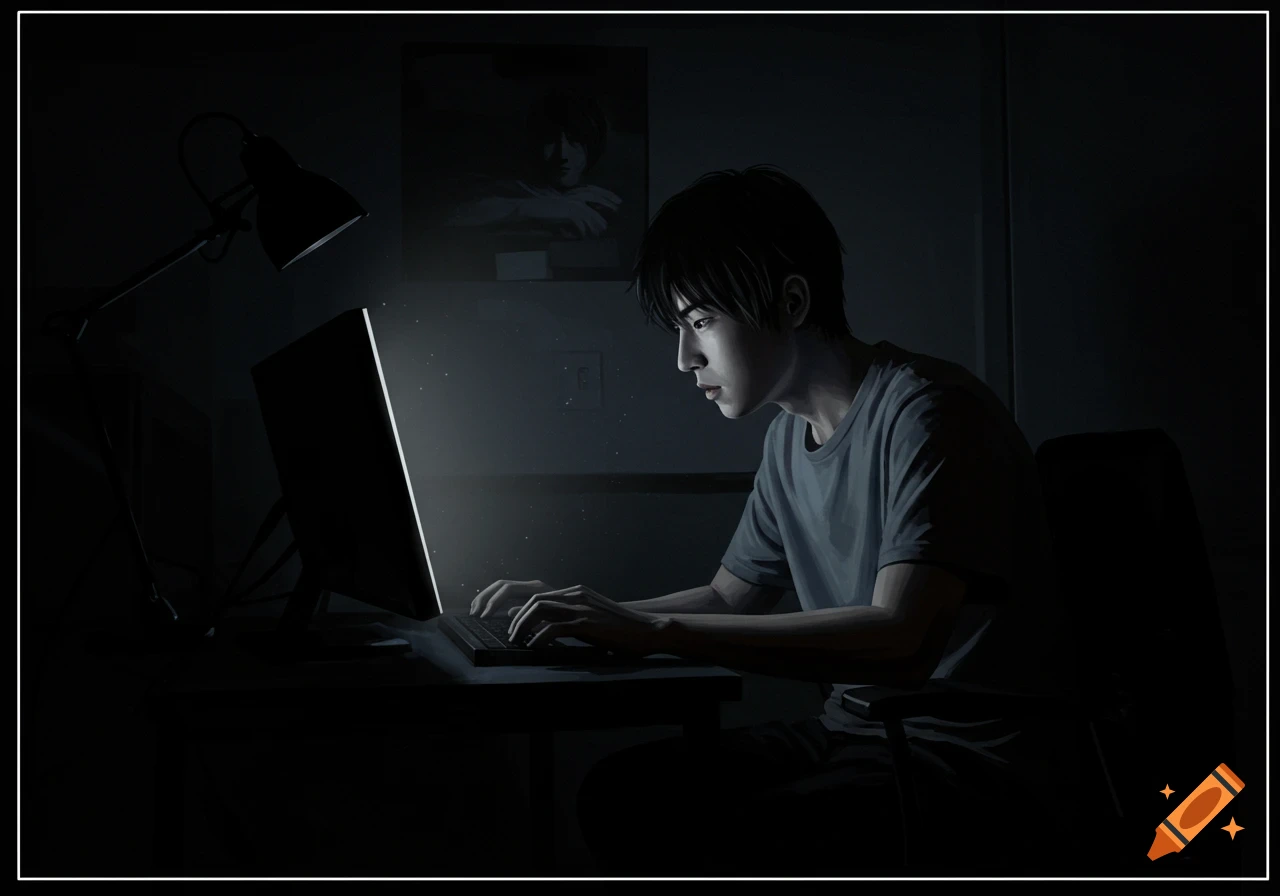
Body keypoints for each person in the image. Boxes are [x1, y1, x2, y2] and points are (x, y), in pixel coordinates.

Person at [469, 166, 1090, 877]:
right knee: (625, 795)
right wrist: (584, 615)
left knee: (740, 837)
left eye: (701, 321)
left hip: (971, 763)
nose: (683, 357)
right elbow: (728, 599)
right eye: (679, 327)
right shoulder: (786, 442)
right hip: (858, 735)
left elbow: (903, 639)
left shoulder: (931, 414)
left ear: (791, 301)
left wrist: (650, 630)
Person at [442, 86, 622, 241]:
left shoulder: (601, 200)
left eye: (575, 141)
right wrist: (548, 208)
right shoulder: (502, 189)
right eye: (551, 140)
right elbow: (447, 215)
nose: (563, 154)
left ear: (592, 145)